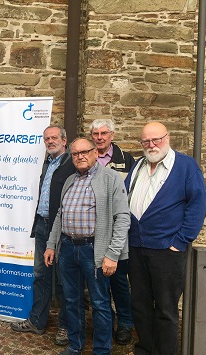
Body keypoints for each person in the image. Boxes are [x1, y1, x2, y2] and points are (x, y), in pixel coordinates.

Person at [125, 122, 205, 355]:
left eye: (156, 140)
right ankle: (145, 349)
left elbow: (198, 204)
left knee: (166, 308)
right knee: (139, 305)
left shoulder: (186, 166)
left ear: (167, 138)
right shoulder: (139, 165)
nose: (151, 145)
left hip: (166, 250)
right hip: (136, 247)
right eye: (146, 141)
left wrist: (180, 242)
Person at [44, 138, 130, 355]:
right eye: (75, 154)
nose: (80, 156)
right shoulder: (70, 180)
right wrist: (51, 245)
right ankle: (75, 345)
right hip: (68, 248)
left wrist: (112, 254)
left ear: (95, 153)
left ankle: (101, 350)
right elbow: (59, 216)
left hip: (94, 250)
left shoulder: (110, 179)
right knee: (72, 300)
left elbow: (122, 218)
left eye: (85, 152)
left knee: (100, 303)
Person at [10, 125, 75, 346]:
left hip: (63, 230)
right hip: (41, 225)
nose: (50, 141)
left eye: (54, 138)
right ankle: (37, 321)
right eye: (46, 139)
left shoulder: (71, 164)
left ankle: (66, 327)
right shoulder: (48, 162)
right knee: (40, 276)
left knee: (65, 280)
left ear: (64, 141)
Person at [90, 119, 135, 345]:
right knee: (99, 287)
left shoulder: (126, 160)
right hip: (93, 236)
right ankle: (106, 324)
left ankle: (125, 323)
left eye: (104, 133)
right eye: (95, 134)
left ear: (112, 135)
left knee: (119, 284)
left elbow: (130, 199)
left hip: (117, 235)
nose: (99, 137)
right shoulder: (85, 158)